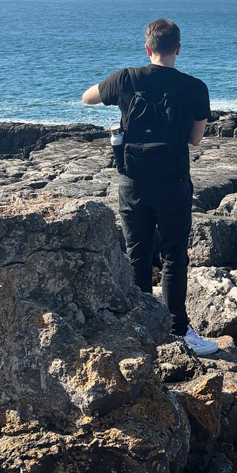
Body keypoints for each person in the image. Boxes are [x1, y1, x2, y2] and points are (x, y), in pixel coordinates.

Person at [82, 18, 218, 356]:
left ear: (148, 48)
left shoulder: (125, 78)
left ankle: (140, 327)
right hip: (173, 182)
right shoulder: (195, 87)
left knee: (137, 253)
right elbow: (196, 139)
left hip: (133, 182)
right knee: (174, 257)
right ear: (178, 49)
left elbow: (88, 98)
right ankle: (179, 330)